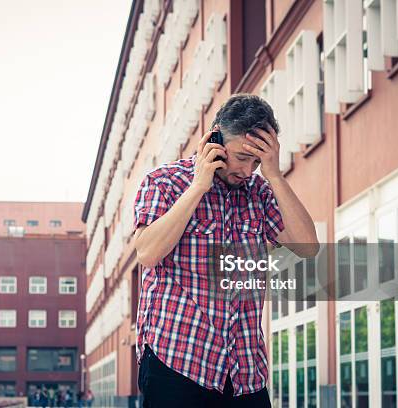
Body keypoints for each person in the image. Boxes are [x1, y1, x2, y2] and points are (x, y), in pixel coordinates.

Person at [133, 94, 319, 407]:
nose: (248, 171)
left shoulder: (259, 192)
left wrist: (273, 174)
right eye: (242, 158)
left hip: (245, 372)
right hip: (178, 364)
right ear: (215, 140)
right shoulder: (163, 183)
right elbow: (147, 253)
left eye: (257, 161)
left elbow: (308, 247)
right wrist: (198, 187)